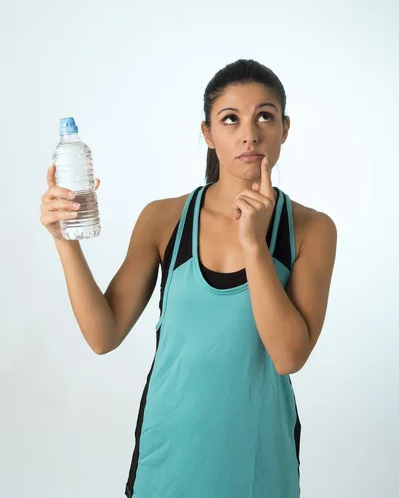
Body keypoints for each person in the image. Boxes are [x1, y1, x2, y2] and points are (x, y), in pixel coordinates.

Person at [40, 59, 337, 498]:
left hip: (260, 462)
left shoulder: (310, 229)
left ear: (285, 128)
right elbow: (103, 335)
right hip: (168, 458)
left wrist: (255, 246)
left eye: (265, 116)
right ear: (207, 133)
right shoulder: (165, 218)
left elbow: (288, 356)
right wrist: (65, 241)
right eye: (230, 118)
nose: (249, 133)